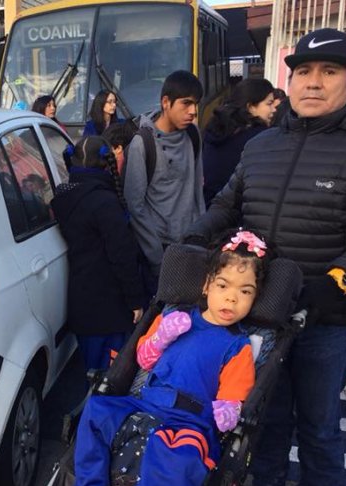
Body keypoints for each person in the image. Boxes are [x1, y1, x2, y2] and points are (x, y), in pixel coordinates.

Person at [184, 28, 346, 486]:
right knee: (264, 410)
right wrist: (197, 237)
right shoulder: (261, 144)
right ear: (289, 81)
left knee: (316, 418)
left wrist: (345, 274)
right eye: (304, 72)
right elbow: (227, 205)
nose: (314, 82)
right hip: (262, 307)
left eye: (329, 72)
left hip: (328, 314)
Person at [60, 232, 266, 486]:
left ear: (254, 298)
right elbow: (143, 357)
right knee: (97, 411)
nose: (232, 297)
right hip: (147, 401)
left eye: (245, 292)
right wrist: (162, 336)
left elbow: (233, 393)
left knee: (179, 460)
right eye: (223, 285)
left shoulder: (239, 346)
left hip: (191, 420)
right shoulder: (177, 317)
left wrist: (228, 411)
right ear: (206, 286)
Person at [50, 136, 146, 372]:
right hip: (109, 307)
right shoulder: (105, 202)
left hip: (82, 304)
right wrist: (135, 299)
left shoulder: (62, 196)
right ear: (106, 164)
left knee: (90, 372)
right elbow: (122, 256)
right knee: (111, 376)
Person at [123, 70, 205, 295]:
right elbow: (135, 205)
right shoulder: (143, 144)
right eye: (186, 103)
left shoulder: (193, 135)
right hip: (160, 252)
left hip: (192, 246)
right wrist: (157, 258)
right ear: (166, 102)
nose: (192, 112)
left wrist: (202, 235)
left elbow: (198, 186)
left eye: (196, 104)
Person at [202, 78, 276, 206]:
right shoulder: (260, 138)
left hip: (209, 208)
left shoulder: (214, 128)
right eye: (269, 104)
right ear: (250, 107)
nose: (273, 109)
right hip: (238, 213)